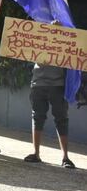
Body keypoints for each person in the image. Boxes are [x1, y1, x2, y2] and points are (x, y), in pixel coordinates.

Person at [24, 22, 74, 168]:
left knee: (61, 119)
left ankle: (65, 157)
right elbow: (27, 48)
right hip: (38, 83)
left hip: (57, 85)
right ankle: (36, 153)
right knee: (37, 117)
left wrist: (60, 30)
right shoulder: (37, 34)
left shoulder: (66, 37)